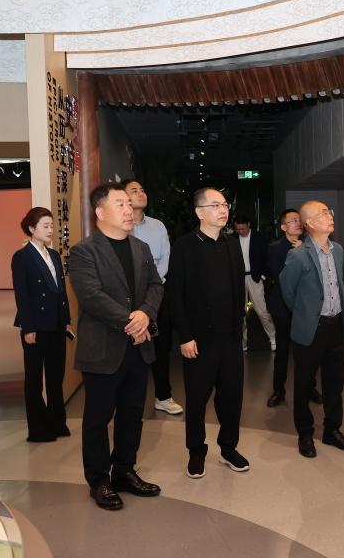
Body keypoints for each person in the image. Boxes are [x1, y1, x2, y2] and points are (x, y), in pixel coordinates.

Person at [68, 182, 163, 511]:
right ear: (100, 212)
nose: (128, 209)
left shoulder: (141, 248)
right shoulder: (84, 251)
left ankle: (123, 471)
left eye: (129, 203)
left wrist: (145, 313)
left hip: (138, 348)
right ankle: (99, 480)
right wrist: (132, 322)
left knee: (132, 415)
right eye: (120, 203)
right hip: (103, 349)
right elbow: (91, 297)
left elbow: (155, 286)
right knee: (97, 419)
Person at [168, 187, 249, 478]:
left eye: (225, 205)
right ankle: (196, 451)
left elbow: (239, 289)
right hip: (199, 340)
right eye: (215, 205)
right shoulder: (184, 246)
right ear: (199, 212)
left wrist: (240, 326)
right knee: (197, 399)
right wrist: (185, 336)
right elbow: (175, 294)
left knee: (231, 398)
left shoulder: (232, 244)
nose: (223, 210)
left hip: (231, 337)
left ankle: (228, 448)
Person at [280, 200, 344, 458]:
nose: (330, 216)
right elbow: (287, 291)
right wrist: (305, 314)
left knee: (335, 383)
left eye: (329, 211)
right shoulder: (298, 255)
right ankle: (305, 434)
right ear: (310, 223)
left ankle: (332, 430)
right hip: (310, 328)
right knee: (304, 384)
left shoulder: (338, 250)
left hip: (335, 326)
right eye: (324, 213)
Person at [11, 207, 73, 443]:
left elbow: (61, 292)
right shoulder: (22, 257)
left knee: (56, 377)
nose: (50, 230)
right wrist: (28, 328)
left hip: (56, 324)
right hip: (35, 327)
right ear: (31, 228)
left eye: (52, 225)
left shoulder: (54, 255)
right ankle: (37, 429)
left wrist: (66, 321)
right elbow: (22, 296)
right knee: (34, 380)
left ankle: (57, 423)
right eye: (45, 226)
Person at [122, 178, 183, 415]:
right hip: (128, 297)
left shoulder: (158, 226)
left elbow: (166, 258)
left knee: (161, 347)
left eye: (142, 189)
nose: (141, 193)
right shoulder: (121, 226)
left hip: (157, 295)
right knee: (129, 348)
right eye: (134, 190)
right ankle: (128, 401)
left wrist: (152, 284)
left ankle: (163, 396)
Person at [266, 208, 322, 407]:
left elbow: (317, 275)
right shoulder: (275, 248)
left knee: (307, 351)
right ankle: (278, 391)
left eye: (299, 220)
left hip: (306, 307)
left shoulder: (311, 244)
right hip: (282, 306)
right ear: (283, 227)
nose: (298, 223)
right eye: (293, 221)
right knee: (282, 351)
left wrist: (305, 251)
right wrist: (298, 254)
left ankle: (310, 388)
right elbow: (282, 278)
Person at [231, 213, 276, 352]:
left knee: (261, 311)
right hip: (238, 279)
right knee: (240, 313)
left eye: (243, 228)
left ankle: (273, 338)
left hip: (255, 277)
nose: (241, 231)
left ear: (249, 225)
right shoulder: (232, 239)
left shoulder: (259, 238)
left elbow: (268, 257)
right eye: (238, 229)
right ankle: (242, 342)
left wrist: (263, 275)